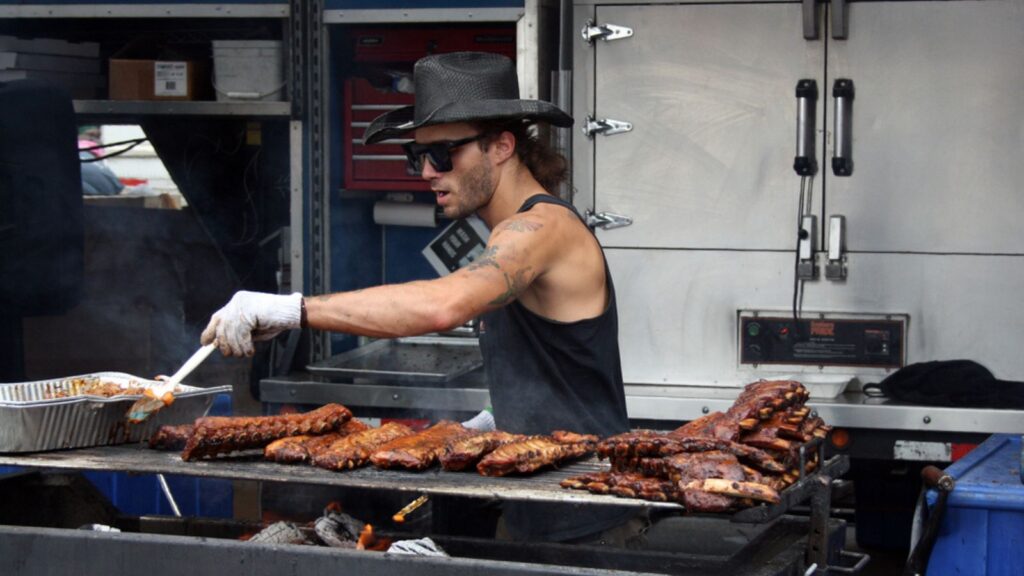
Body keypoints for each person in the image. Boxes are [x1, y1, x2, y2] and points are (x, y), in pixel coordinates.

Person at [201, 51, 642, 544]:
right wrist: (496, 419)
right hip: (542, 508)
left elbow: (441, 305)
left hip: (586, 521)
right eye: (417, 156)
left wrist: (291, 309)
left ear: (501, 146)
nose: (426, 172)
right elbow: (560, 367)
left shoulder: (539, 228)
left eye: (441, 154)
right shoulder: (513, 234)